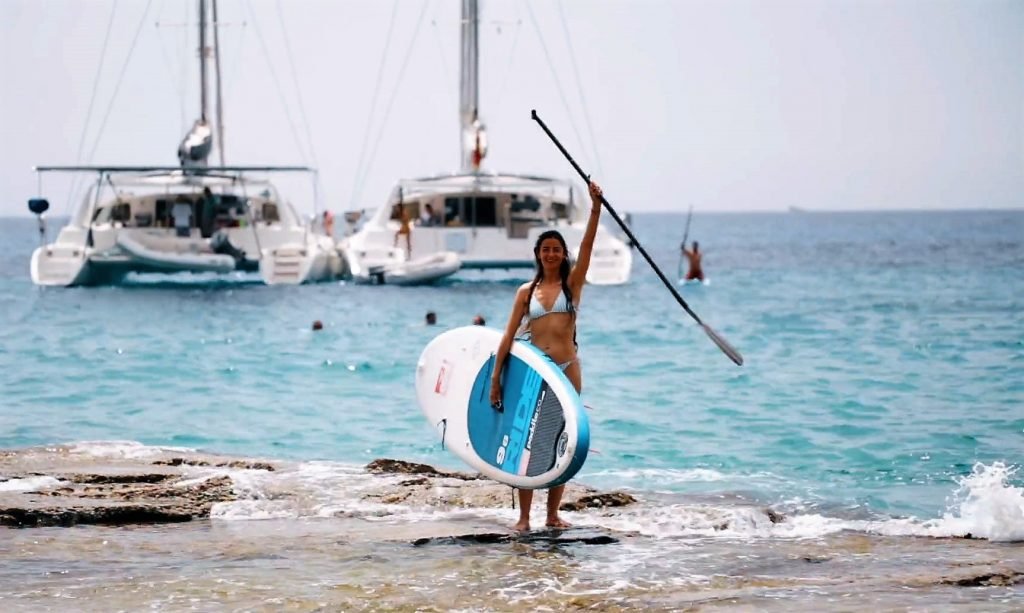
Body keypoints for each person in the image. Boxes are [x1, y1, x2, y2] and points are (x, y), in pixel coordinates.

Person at [489, 180, 604, 532]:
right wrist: (496, 378)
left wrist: (596, 208)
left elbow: (587, 246)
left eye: (557, 249)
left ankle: (552, 515)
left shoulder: (573, 285)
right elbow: (508, 335)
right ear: (539, 254)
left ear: (562, 254)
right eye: (546, 249)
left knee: (559, 440)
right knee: (527, 440)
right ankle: (524, 518)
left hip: (567, 370)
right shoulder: (527, 292)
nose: (551, 254)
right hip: (535, 371)